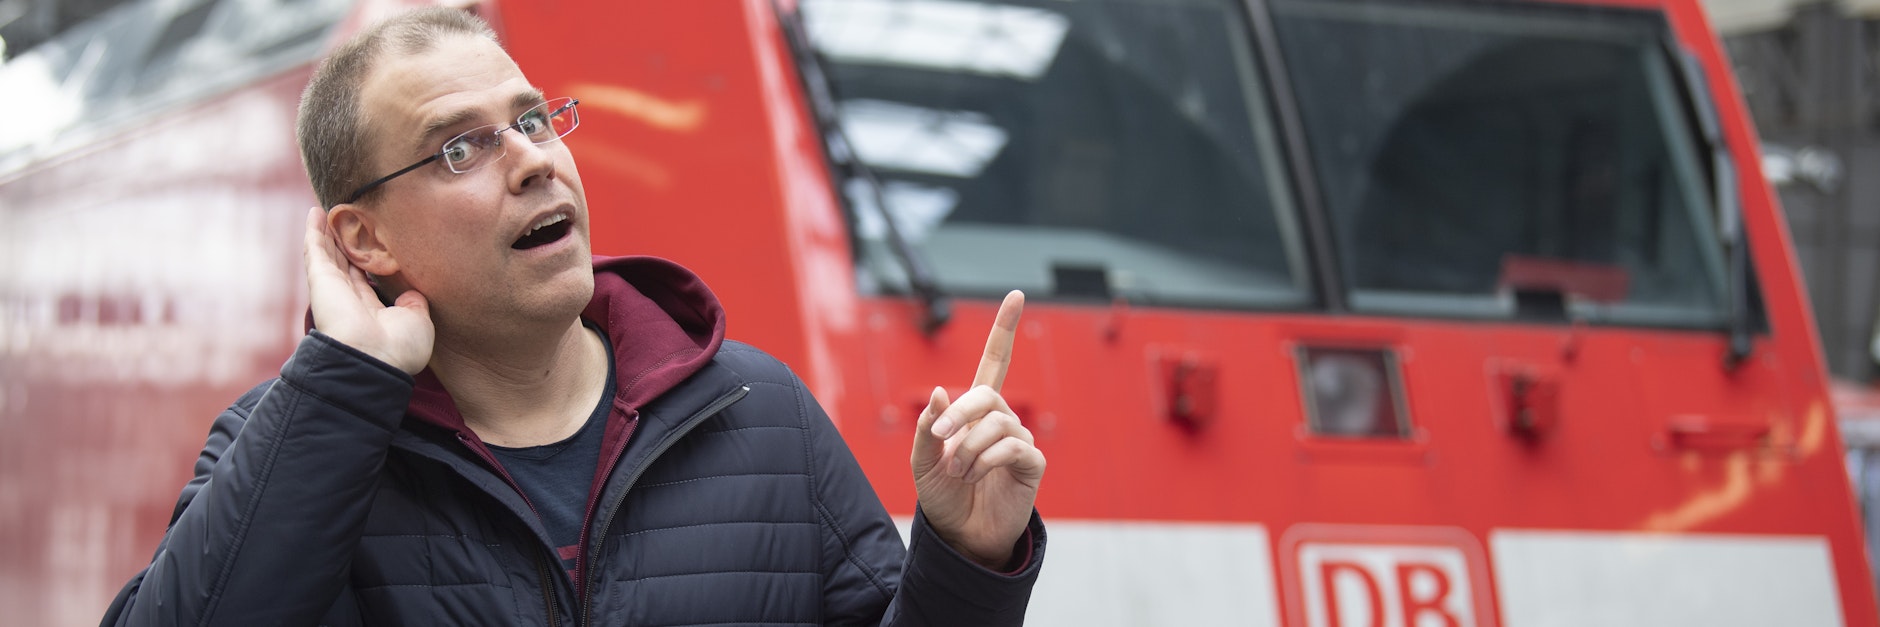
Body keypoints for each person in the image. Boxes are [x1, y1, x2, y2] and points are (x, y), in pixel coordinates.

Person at [101, 7, 1045, 626]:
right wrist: (344, 389)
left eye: (536, 119)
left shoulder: (760, 413)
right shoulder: (298, 447)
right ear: (363, 238)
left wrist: (965, 556)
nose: (532, 160)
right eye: (462, 147)